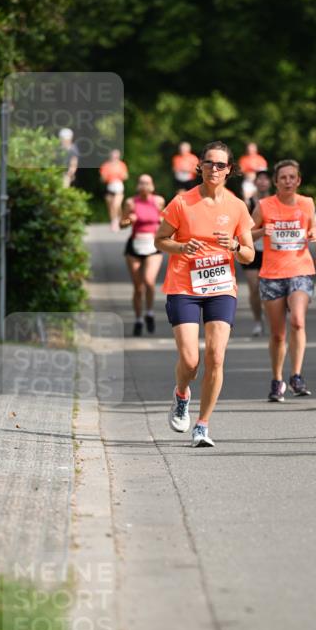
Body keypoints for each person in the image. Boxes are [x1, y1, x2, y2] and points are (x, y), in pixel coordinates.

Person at [155, 141, 254, 448]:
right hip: (184, 285)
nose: (214, 169)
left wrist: (235, 246)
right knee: (190, 359)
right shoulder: (182, 202)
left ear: (230, 170)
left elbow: (249, 255)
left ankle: (202, 424)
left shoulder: (237, 206)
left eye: (221, 164)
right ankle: (182, 394)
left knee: (216, 356)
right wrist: (182, 247)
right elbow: (160, 240)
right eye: (209, 163)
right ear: (199, 166)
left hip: (221, 287)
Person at [252, 159, 316, 401]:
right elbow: (245, 233)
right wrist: (261, 231)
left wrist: (313, 234)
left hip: (300, 269)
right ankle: (277, 379)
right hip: (272, 273)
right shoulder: (264, 206)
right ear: (276, 182)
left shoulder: (307, 204)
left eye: (292, 177)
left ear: (298, 180)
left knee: (298, 322)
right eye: (283, 178)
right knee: (278, 333)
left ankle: (297, 376)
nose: (288, 181)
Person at [121, 174, 165, 336]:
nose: (144, 185)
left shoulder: (158, 201)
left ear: (152, 186)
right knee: (138, 287)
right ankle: (139, 319)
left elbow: (166, 220)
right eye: (141, 183)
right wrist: (129, 220)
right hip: (135, 245)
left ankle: (150, 312)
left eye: (147, 182)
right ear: (137, 186)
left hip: (153, 245)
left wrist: (162, 220)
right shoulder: (130, 202)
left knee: (149, 281)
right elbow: (121, 223)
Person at [241, 168, 272, 336]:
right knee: (254, 288)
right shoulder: (248, 203)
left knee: (269, 288)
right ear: (255, 183)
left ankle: (272, 318)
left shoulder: (277, 202)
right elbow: (242, 227)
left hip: (272, 251)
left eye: (266, 179)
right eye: (259, 179)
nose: (262, 182)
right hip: (252, 249)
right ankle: (258, 322)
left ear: (271, 182)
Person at [99, 149, 129, 230]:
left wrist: (118, 175)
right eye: (113, 156)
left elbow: (125, 176)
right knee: (111, 207)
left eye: (116, 156)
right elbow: (102, 179)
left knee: (116, 205)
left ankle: (117, 222)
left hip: (118, 187)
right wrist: (107, 177)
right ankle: (114, 221)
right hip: (110, 187)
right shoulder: (106, 166)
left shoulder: (121, 165)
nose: (115, 157)